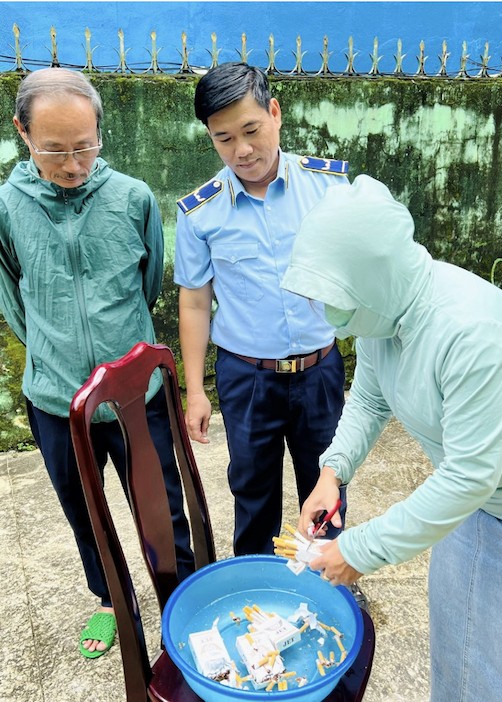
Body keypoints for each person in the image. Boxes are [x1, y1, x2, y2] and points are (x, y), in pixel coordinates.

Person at [281, 175, 502, 701]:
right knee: (455, 649)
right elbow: (369, 399)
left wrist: (358, 550)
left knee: (492, 672)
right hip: (461, 507)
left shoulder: (470, 334)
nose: (327, 311)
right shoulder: (383, 316)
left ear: (373, 275)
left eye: (334, 294)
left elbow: (470, 475)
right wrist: (332, 472)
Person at [0, 68, 194, 658]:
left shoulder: (133, 198)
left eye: (85, 147)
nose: (73, 165)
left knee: (162, 507)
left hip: (137, 396)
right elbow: (14, 297)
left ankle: (180, 598)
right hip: (58, 401)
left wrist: (119, 355)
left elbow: (147, 286)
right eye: (54, 150)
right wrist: (56, 350)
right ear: (22, 133)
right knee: (85, 512)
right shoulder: (6, 207)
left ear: (100, 134)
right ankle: (110, 599)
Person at [175, 62, 349, 556]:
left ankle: (326, 577)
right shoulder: (200, 213)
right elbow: (194, 302)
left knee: (328, 488)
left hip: (320, 370)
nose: (242, 150)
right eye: (224, 138)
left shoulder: (329, 187)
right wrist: (195, 391)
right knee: (253, 493)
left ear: (275, 113)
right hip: (247, 379)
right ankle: (255, 581)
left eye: (251, 130)